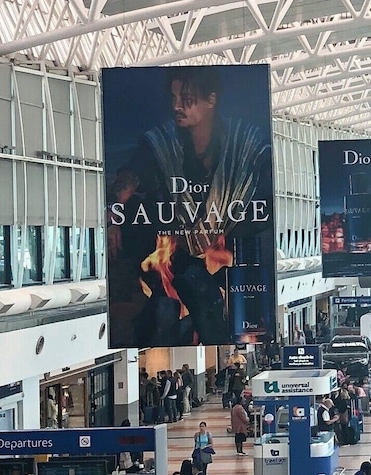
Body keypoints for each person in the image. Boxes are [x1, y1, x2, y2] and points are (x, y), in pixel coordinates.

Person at [105, 66, 273, 346]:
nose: (177, 106)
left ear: (211, 100)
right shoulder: (162, 143)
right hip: (180, 253)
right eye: (173, 98)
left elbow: (267, 184)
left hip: (233, 250)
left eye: (187, 98)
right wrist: (113, 213)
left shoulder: (245, 143)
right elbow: (132, 174)